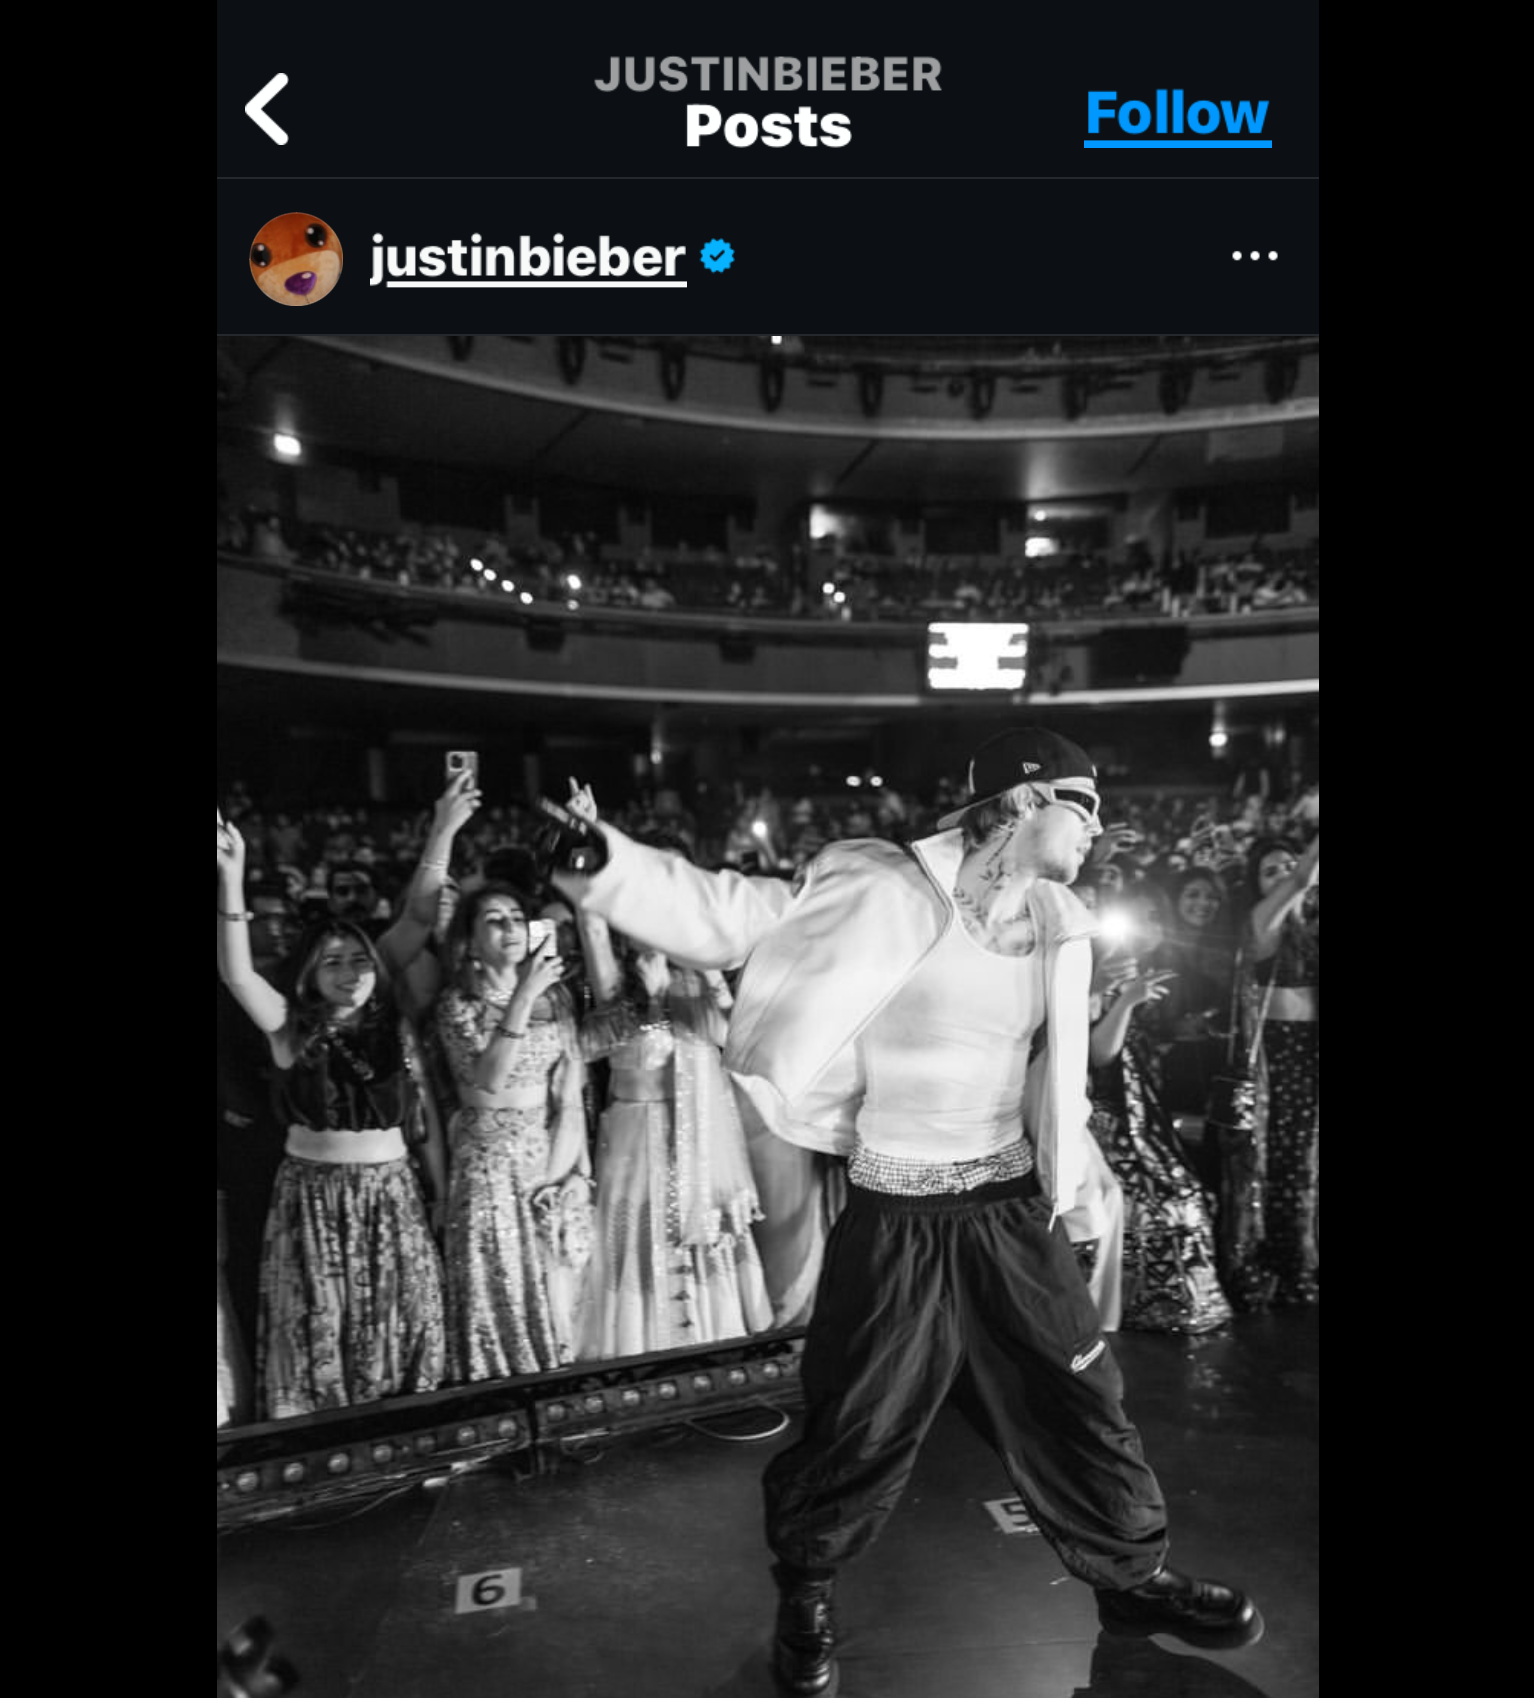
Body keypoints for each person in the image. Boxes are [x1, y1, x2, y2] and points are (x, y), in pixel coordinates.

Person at [553, 729, 1262, 1696]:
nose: (1099, 828)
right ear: (1023, 800)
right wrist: (607, 864)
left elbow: (1058, 1078)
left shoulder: (1061, 921)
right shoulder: (882, 887)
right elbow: (735, 911)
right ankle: (807, 1586)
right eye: (1085, 806)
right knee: (862, 1419)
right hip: (896, 1212)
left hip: (1008, 1208)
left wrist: (1078, 1187)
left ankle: (1132, 1579)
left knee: (1082, 1402)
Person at [216, 773, 476, 1418]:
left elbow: (419, 916)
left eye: (358, 960)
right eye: (331, 962)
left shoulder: (387, 1014)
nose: (350, 971)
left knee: (402, 1313)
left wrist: (442, 828)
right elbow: (237, 973)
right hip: (314, 1199)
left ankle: (406, 1435)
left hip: (391, 1193)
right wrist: (230, 878)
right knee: (322, 1324)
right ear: (308, 975)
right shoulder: (289, 1026)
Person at [569, 823, 773, 1359]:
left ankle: (712, 1343)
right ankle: (647, 1351)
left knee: (702, 1229)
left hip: (703, 1131)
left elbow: (731, 1038)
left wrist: (706, 969)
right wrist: (590, 839)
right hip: (637, 1133)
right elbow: (590, 921)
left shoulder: (703, 967)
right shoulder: (616, 970)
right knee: (643, 1232)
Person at [435, 883, 591, 1377]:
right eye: (494, 920)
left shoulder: (557, 999)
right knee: (497, 1273)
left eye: (518, 917)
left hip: (544, 1152)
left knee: (550, 1273)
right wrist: (524, 994)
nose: (510, 927)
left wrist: (581, 1172)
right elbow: (489, 1077)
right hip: (487, 1158)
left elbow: (571, 1092)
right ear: (469, 942)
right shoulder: (457, 1004)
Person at [1226, 834, 1321, 1309]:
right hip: (1279, 1059)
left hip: (1310, 1053)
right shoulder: (1260, 924)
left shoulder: (1311, 928)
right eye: (1271, 871)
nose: (1284, 873)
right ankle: (1286, 1266)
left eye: (1289, 864)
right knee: (1287, 1165)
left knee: (1308, 1161)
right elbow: (1303, 878)